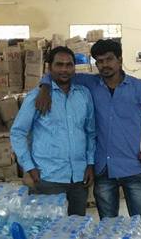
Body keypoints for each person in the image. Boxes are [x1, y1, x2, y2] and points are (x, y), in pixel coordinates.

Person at [35, 39, 141, 239]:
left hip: (133, 168)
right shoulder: (89, 84)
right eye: (99, 61)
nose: (104, 65)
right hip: (103, 172)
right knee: (108, 232)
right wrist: (45, 86)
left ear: (120, 59)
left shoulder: (139, 88)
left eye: (109, 59)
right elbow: (59, 74)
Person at [10, 46, 95, 216]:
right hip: (47, 178)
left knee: (76, 228)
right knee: (48, 229)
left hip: (79, 179)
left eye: (69, 65)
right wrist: (29, 167)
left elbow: (90, 132)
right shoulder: (37, 97)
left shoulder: (84, 95)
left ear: (74, 68)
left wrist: (90, 164)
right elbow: (18, 133)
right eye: (59, 64)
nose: (64, 69)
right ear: (50, 68)